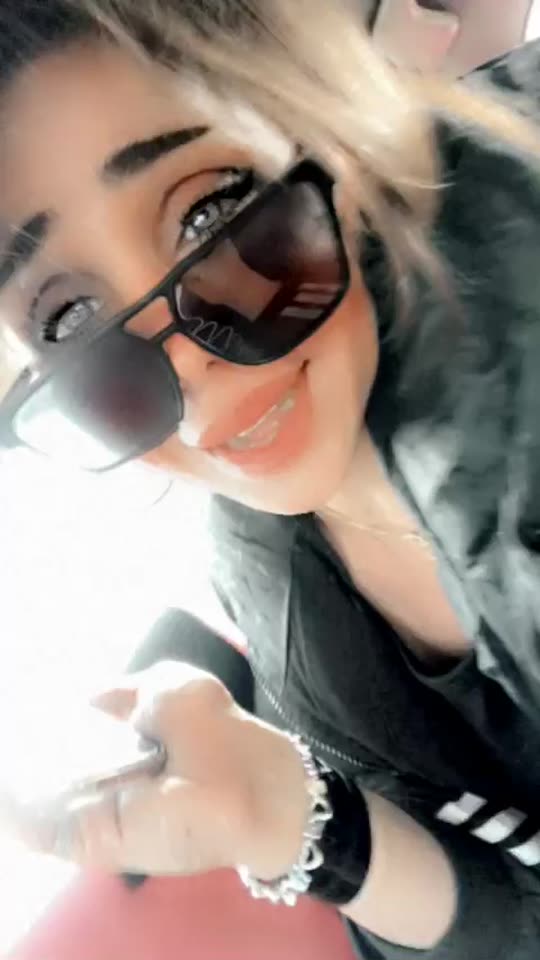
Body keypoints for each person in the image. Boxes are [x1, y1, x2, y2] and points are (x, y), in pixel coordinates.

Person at [1, 2, 540, 957]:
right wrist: (291, 819)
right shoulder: (269, 564)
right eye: (73, 322)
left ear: (325, 132)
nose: (188, 372)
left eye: (208, 215)